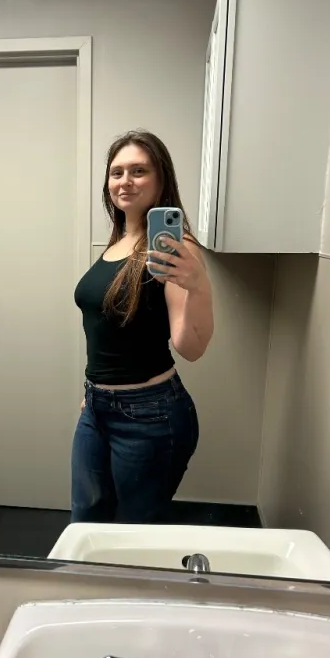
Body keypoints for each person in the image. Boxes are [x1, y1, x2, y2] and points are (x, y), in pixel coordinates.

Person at [71, 129, 214, 524]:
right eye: (117, 172)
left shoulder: (175, 248)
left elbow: (190, 347)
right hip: (97, 407)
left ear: (160, 179)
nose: (125, 181)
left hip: (150, 415)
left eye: (139, 171)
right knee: (86, 521)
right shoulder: (119, 241)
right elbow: (107, 330)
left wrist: (198, 285)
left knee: (133, 533)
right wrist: (93, 393)